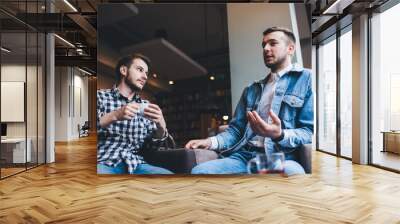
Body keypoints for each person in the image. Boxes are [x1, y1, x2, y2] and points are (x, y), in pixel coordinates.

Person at [185, 27, 313, 176]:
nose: (266, 49)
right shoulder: (251, 89)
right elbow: (236, 130)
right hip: (245, 157)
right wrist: (210, 142)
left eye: (273, 43)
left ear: (290, 49)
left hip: (278, 158)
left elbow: (309, 132)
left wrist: (280, 134)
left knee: (292, 172)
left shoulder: (307, 78)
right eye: (263, 45)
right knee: (199, 171)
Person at [97, 53, 173, 174]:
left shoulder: (146, 106)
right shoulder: (100, 97)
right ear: (124, 70)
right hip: (104, 162)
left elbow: (152, 147)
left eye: (146, 73)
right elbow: (83, 132)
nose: (144, 77)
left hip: (135, 165)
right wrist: (115, 115)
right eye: (140, 70)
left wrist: (161, 126)